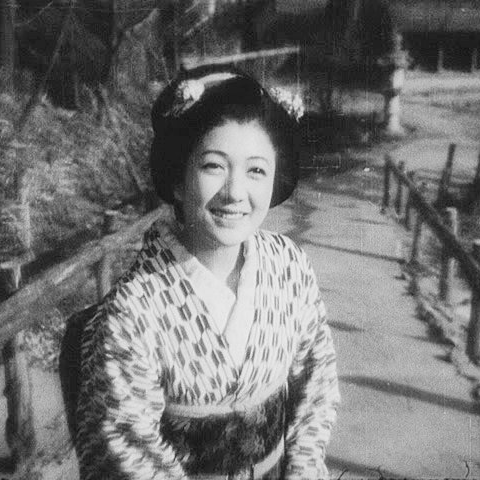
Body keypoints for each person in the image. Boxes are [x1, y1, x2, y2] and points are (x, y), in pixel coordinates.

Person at [71, 65, 340, 480]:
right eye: (214, 166)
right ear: (177, 179)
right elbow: (126, 455)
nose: (235, 193)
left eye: (256, 170)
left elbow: (316, 386)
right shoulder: (131, 312)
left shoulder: (290, 266)